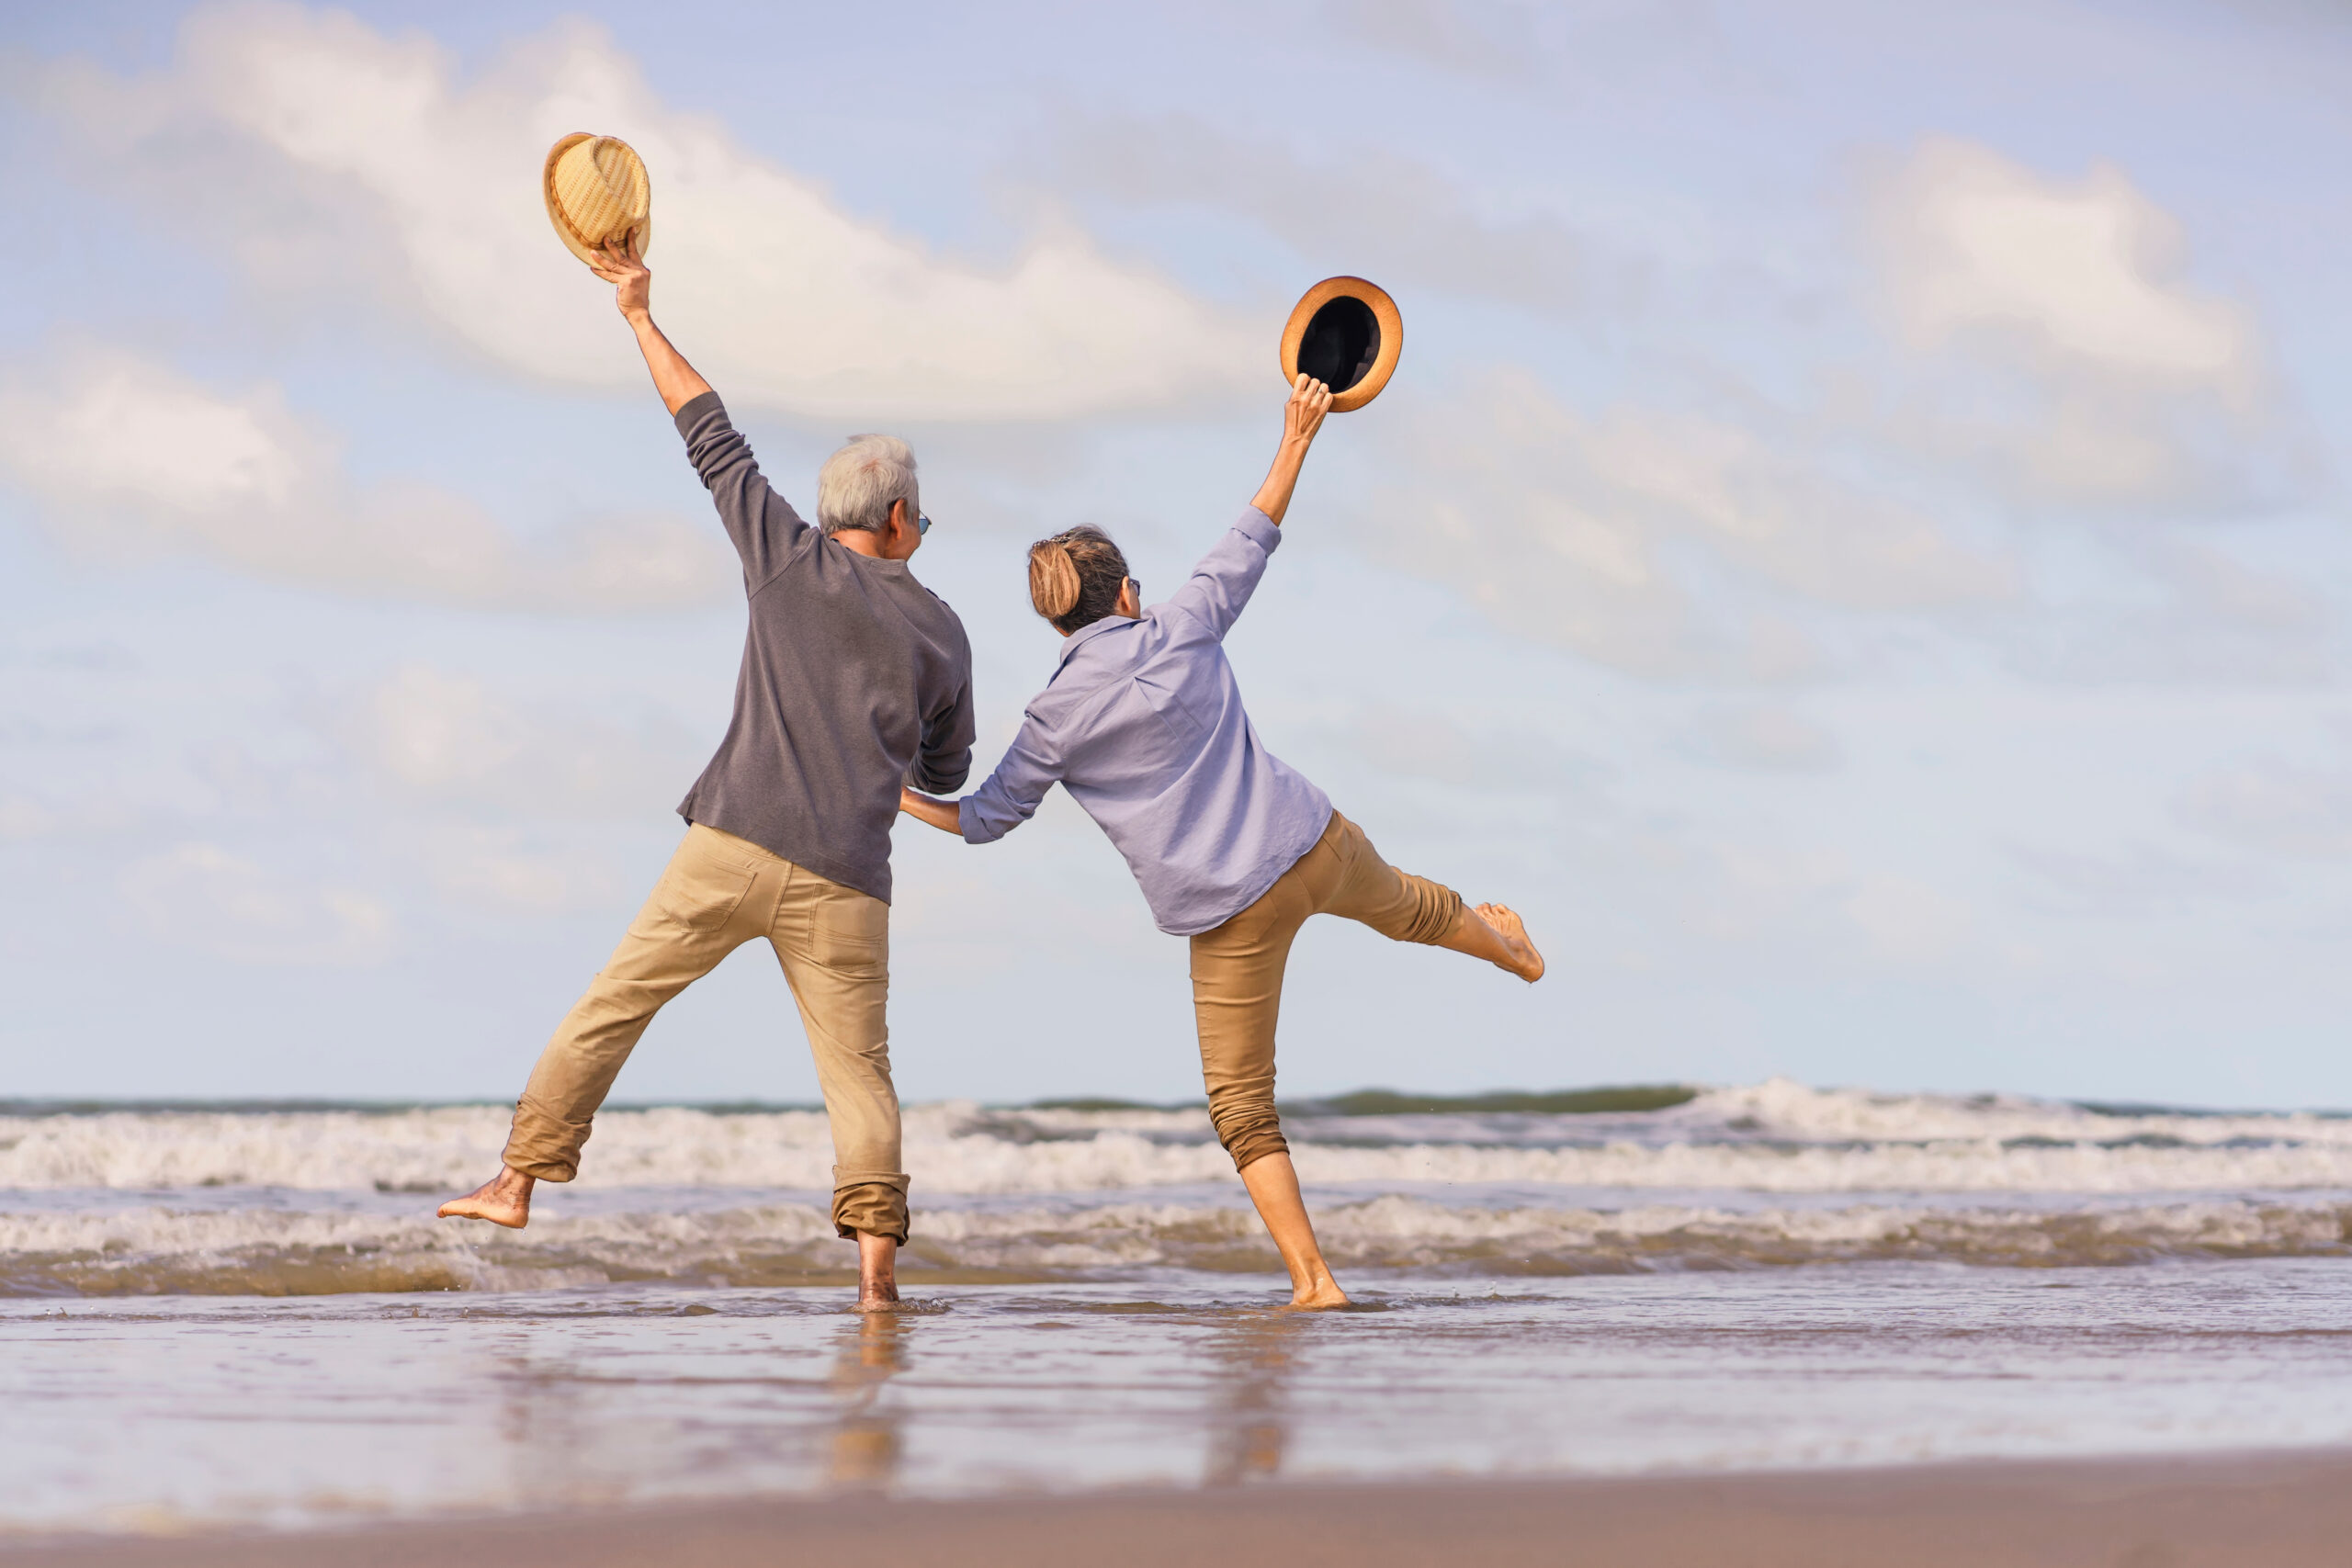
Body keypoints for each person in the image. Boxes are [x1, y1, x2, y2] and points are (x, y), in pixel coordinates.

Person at [899, 373, 1544, 1309]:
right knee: (1415, 908)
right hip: (1309, 840)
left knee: (1243, 1109)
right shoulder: (1183, 620)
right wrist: (1297, 434)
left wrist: (895, 795)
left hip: (1227, 910)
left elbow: (983, 821)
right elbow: (1259, 527)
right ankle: (1513, 957)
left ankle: (1315, 1282)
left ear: (1055, 618)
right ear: (1125, 590)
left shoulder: (1053, 715)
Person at [437, 234, 976, 1312]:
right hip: (847, 882)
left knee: (612, 1006)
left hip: (732, 840)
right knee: (859, 1077)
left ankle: (517, 1181)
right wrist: (885, 769)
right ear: (904, 518)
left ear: (833, 518)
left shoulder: (784, 556)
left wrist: (638, 312)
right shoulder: (943, 632)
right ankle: (875, 1278)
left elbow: (707, 431)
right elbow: (945, 767)